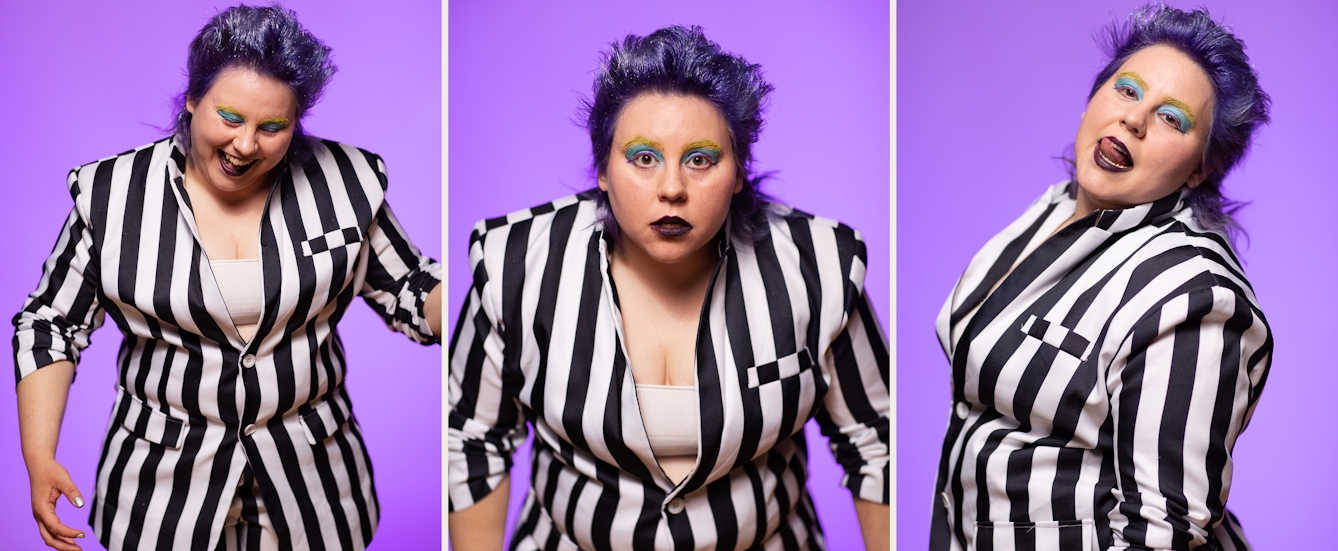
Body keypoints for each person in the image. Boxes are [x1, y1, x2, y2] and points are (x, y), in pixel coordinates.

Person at [13, 6, 442, 551]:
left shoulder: (347, 183)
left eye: (272, 127)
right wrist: (38, 456)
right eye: (230, 118)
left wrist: (485, 306)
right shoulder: (112, 194)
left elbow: (411, 287)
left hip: (315, 487)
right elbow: (50, 323)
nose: (245, 146)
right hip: (159, 491)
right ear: (192, 100)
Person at [447, 26, 890, 550]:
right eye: (643, 157)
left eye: (700, 159)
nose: (672, 188)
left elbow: (876, 443)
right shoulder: (515, 264)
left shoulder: (820, 268)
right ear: (604, 171)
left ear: (739, 171)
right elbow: (473, 442)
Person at [930, 5, 1271, 551]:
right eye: (1128, 90)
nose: (1133, 119)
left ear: (1200, 168)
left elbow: (1158, 533)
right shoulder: (1054, 209)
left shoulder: (1195, 298)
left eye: (1171, 118)